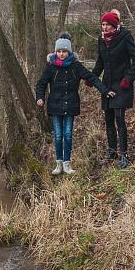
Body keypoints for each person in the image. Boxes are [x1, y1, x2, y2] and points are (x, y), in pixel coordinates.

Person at [36, 33, 113, 175]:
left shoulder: (76, 66)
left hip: (70, 105)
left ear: (69, 52)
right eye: (58, 51)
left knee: (68, 134)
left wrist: (104, 90)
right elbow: (41, 83)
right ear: (55, 52)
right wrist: (40, 97)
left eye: (64, 51)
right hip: (55, 106)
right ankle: (58, 164)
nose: (61, 54)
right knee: (58, 135)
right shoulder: (51, 67)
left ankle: (67, 164)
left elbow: (92, 77)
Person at [92, 9, 135, 168]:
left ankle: (124, 154)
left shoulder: (125, 36)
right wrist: (92, 77)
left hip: (122, 85)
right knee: (108, 120)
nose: (105, 27)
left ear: (115, 25)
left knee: (120, 119)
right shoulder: (101, 39)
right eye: (103, 24)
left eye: (108, 25)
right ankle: (112, 151)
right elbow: (100, 62)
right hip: (107, 85)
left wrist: (129, 79)